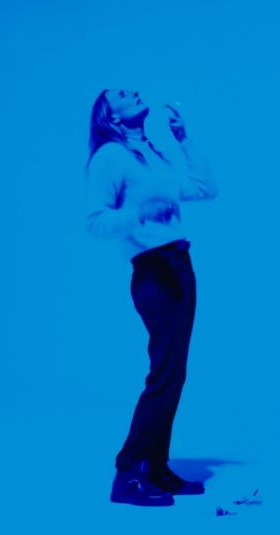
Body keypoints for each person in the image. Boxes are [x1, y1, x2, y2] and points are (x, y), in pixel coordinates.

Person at [85, 88, 218, 507]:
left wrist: (183, 140)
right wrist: (139, 214)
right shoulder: (109, 156)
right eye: (121, 95)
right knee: (164, 374)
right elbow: (95, 221)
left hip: (179, 265)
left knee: (173, 372)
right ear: (112, 116)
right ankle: (128, 473)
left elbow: (205, 188)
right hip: (154, 271)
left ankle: (154, 467)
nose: (132, 92)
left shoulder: (152, 154)